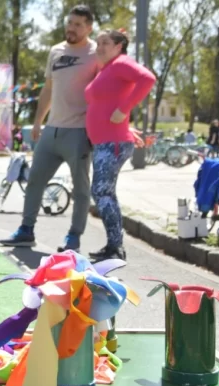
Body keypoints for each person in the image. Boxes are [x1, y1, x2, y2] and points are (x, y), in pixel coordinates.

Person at [0, 5, 100, 252]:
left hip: (79, 133)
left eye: (78, 24)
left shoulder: (97, 53)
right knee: (34, 180)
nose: (72, 28)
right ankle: (26, 230)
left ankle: (73, 236)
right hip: (51, 130)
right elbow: (48, 89)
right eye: (70, 23)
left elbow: (106, 89)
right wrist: (37, 121)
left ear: (89, 28)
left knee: (80, 188)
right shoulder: (56, 51)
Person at [84, 29, 155, 261]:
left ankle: (116, 247)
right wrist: (126, 123)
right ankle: (114, 246)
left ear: (118, 46)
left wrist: (124, 110)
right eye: (98, 42)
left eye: (105, 42)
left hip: (111, 143)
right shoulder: (107, 69)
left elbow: (148, 79)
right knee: (104, 192)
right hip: (106, 142)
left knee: (102, 191)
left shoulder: (122, 63)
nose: (100, 46)